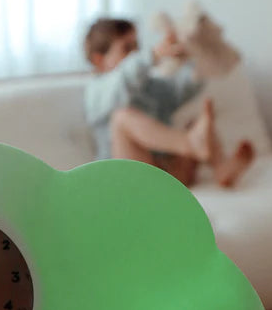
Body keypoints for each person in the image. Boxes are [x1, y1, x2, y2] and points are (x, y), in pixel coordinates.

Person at [83, 18, 255, 187]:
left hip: (169, 174)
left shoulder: (149, 86)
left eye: (137, 46)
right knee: (122, 118)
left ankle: (222, 168)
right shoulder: (97, 90)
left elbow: (179, 90)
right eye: (127, 49)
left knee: (194, 125)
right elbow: (126, 78)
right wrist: (152, 56)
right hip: (130, 178)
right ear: (99, 60)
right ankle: (190, 143)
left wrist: (191, 61)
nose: (135, 53)